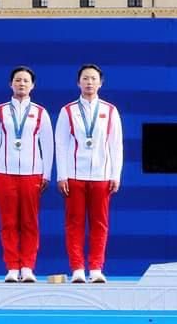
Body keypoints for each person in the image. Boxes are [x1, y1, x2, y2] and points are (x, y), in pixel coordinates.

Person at [55, 64, 123, 283]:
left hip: (102, 175)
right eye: (85, 78)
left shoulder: (110, 111)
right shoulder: (68, 111)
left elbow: (116, 145)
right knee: (74, 223)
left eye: (93, 79)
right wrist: (62, 175)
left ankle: (95, 268)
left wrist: (115, 174)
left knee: (99, 224)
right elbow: (61, 145)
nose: (89, 82)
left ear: (101, 83)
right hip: (75, 175)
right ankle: (77, 268)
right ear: (78, 82)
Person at [0, 66, 54, 283]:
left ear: (32, 85)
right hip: (4, 172)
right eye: (17, 80)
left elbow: (48, 145)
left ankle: (27, 267)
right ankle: (11, 268)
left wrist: (46, 174)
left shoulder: (40, 112)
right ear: (11, 84)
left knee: (29, 223)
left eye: (25, 81)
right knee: (8, 223)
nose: (21, 84)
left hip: (32, 172)